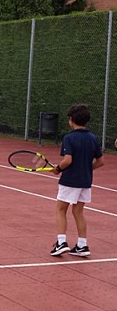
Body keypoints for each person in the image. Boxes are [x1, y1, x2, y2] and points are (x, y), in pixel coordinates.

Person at [50, 104, 104, 257]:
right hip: (85, 182)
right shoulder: (93, 138)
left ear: (71, 120)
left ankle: (61, 242)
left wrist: (58, 169)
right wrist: (86, 169)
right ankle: (82, 245)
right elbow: (100, 162)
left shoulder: (69, 138)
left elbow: (67, 160)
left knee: (61, 209)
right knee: (79, 212)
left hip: (70, 180)